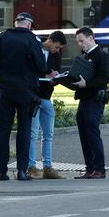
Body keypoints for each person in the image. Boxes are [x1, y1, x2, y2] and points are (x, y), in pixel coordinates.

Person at [0, 12, 48, 181]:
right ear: (29, 25)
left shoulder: (3, 37)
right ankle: (21, 171)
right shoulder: (33, 40)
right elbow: (42, 67)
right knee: (24, 131)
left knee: (3, 131)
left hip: (5, 91)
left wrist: (3, 67)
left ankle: (0, 171)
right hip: (26, 92)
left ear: (16, 23)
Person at [71, 26, 109, 179]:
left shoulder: (102, 56)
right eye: (78, 42)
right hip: (84, 99)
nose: (80, 44)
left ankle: (99, 169)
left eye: (82, 41)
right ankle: (90, 168)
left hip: (95, 100)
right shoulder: (85, 56)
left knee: (93, 134)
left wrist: (86, 84)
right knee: (84, 135)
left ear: (90, 38)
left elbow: (104, 78)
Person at [27, 30, 67, 179]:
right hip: (34, 96)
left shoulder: (56, 55)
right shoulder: (35, 47)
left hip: (46, 96)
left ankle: (48, 167)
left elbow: (54, 72)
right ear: (50, 41)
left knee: (48, 134)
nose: (58, 50)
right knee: (33, 133)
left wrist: (55, 78)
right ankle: (31, 166)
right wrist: (46, 74)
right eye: (56, 47)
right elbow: (32, 70)